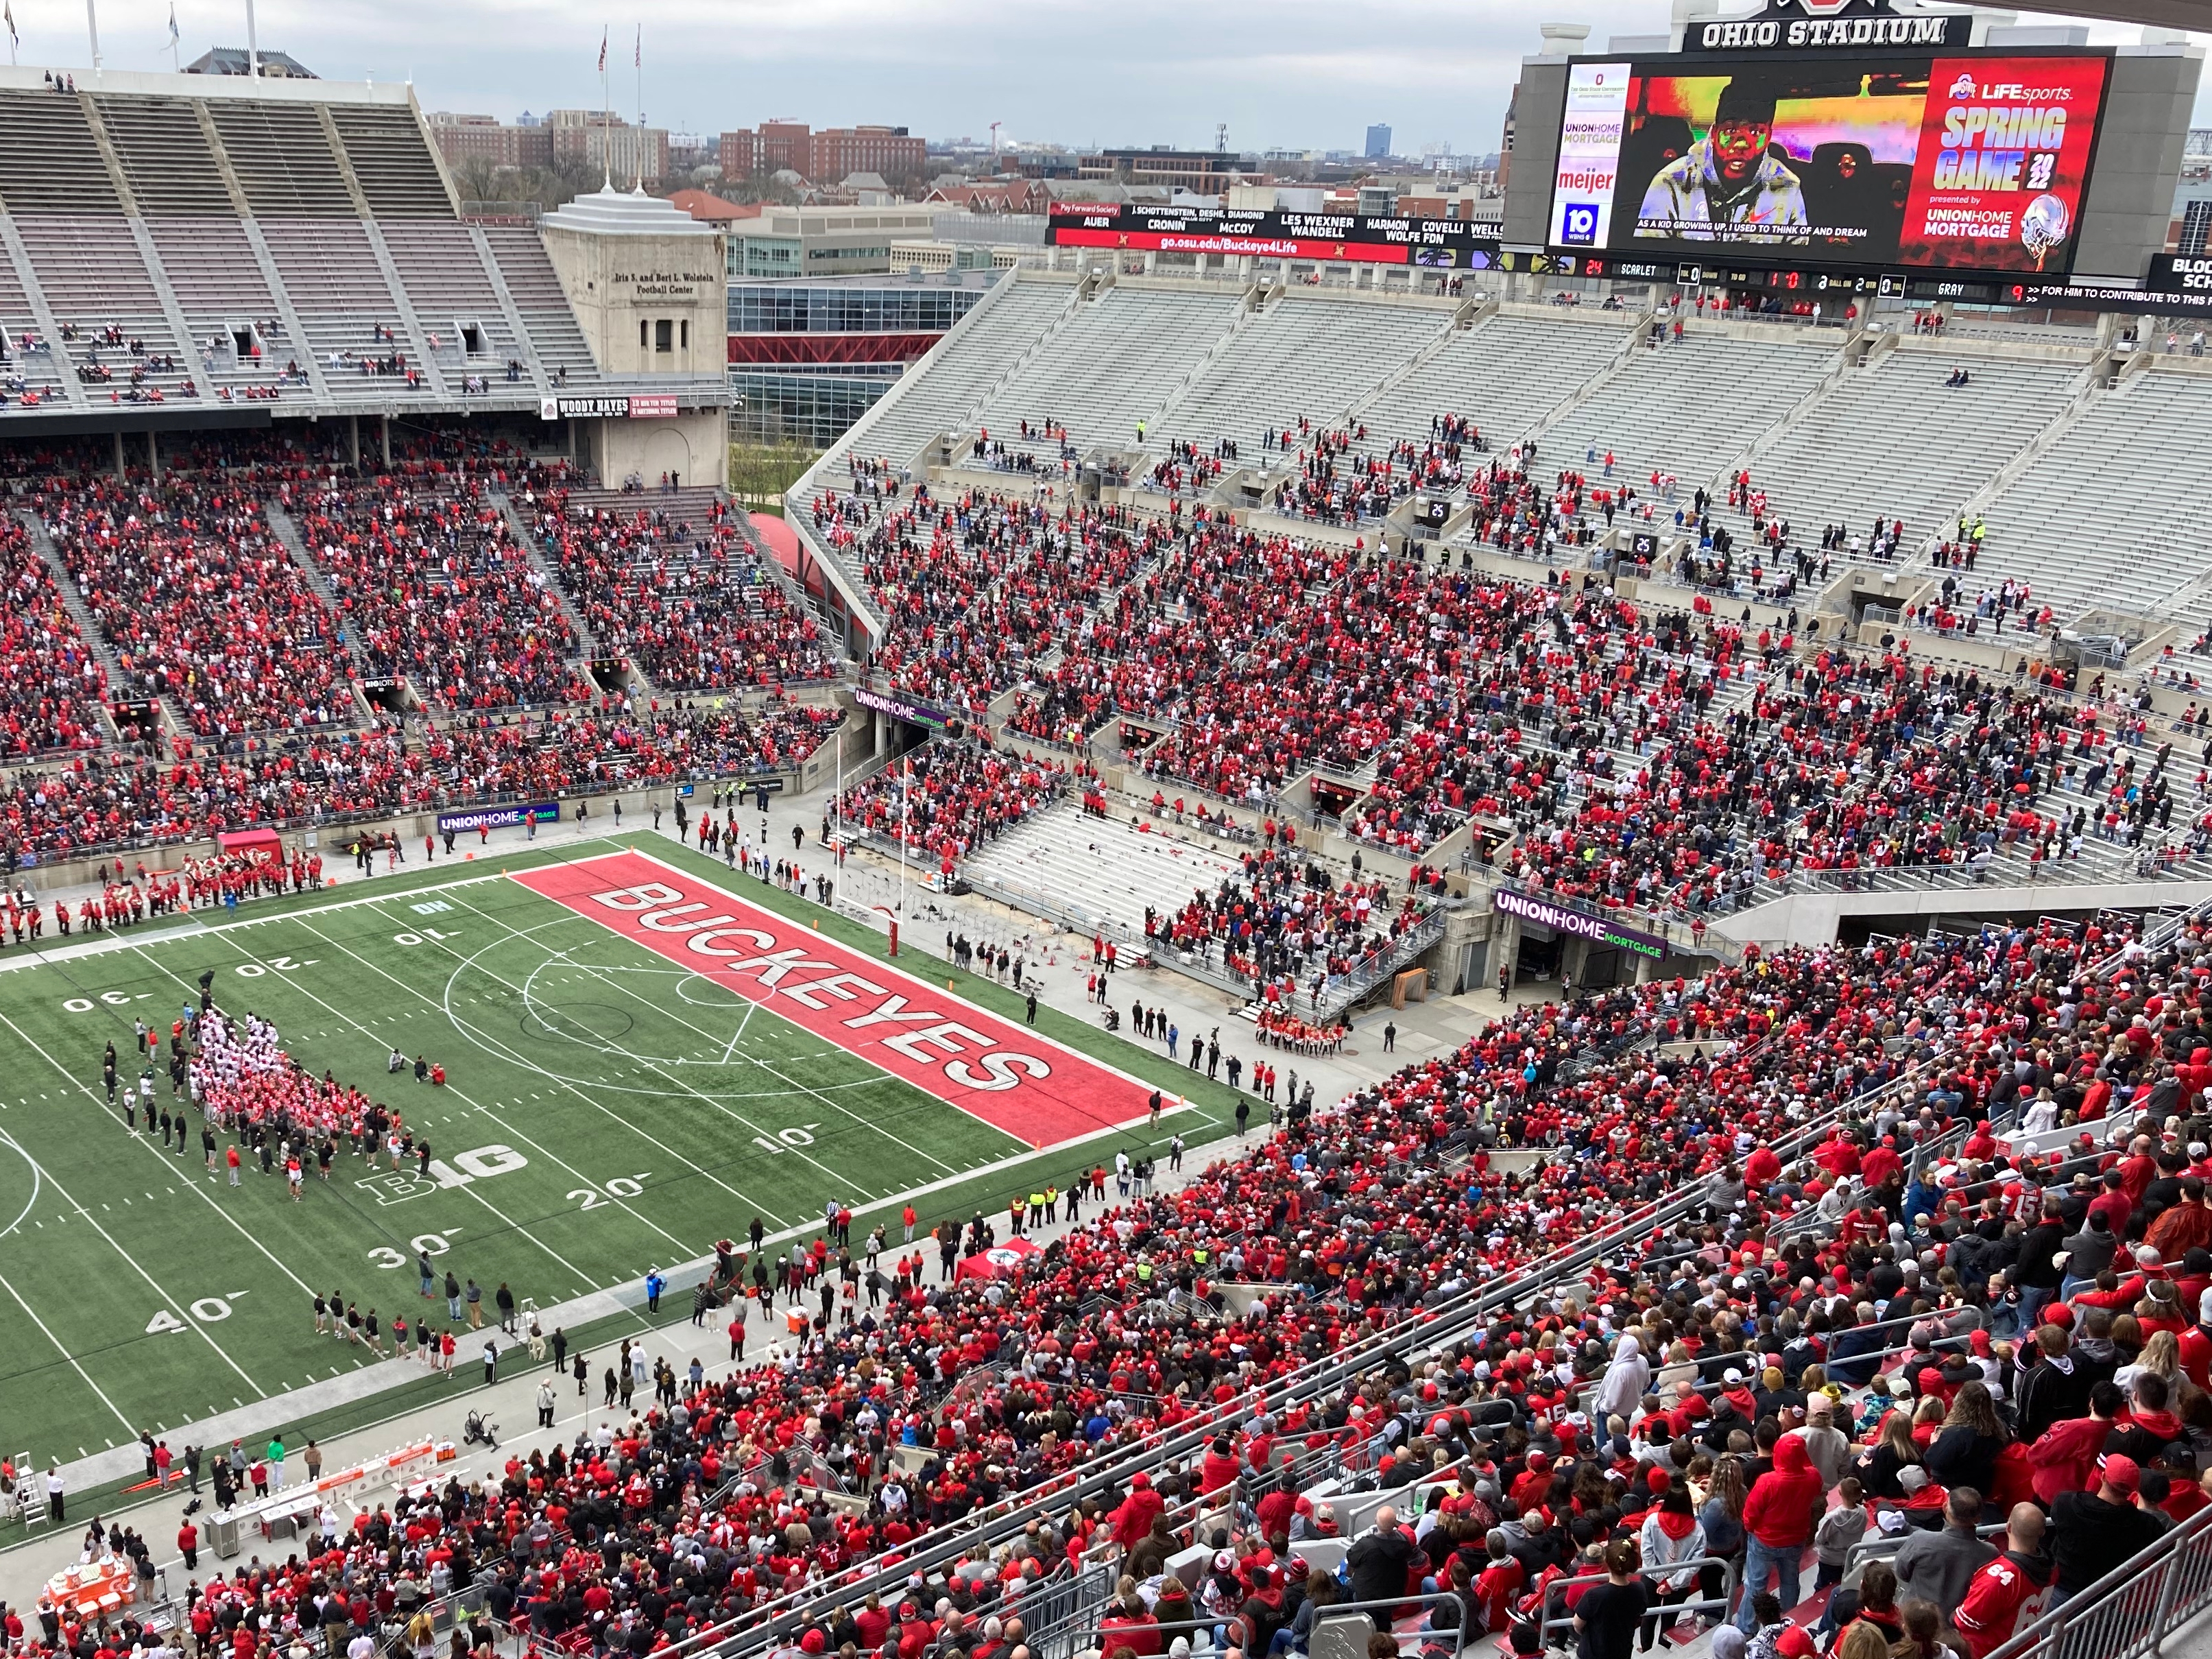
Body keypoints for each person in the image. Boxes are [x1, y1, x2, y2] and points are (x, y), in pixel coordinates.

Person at [1637, 79, 1810, 245]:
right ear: (1714, 133)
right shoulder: (1671, 182)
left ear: (1769, 137)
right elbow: (1648, 254)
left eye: (1756, 132)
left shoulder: (1788, 186)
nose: (1741, 144)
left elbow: (1797, 259)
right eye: (1731, 130)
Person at [1953, 1505, 2052, 1659]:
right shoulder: (2052, 1566)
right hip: (2024, 1646)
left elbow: (1967, 1621)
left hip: (1990, 1651)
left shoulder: (1999, 1577)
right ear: (2043, 1532)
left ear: (2009, 1527)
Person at [1893, 1487, 1995, 1618]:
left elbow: (1901, 1572)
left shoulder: (1920, 1540)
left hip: (1915, 1619)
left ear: (1945, 1507)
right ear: (1978, 1518)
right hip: (1953, 1624)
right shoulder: (1991, 1554)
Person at [1574, 1538, 1651, 1659]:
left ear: (1606, 1562)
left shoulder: (1594, 1595)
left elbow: (1577, 1624)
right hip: (1622, 1651)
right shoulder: (1640, 1589)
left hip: (1593, 1653)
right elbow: (1640, 1612)